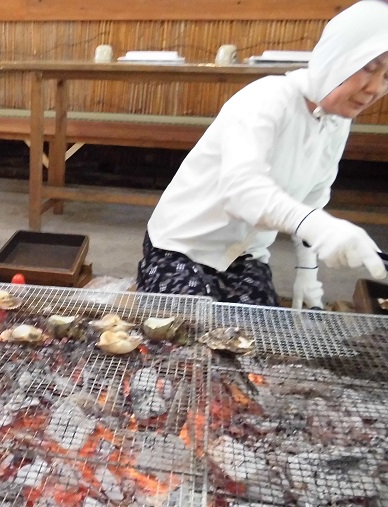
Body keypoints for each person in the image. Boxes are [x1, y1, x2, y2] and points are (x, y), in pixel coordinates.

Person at [136, 0, 388, 308]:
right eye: (369, 68)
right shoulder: (266, 99)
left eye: (387, 77)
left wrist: (308, 272)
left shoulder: (336, 121)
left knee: (257, 343)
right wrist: (318, 227)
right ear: (338, 56)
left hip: (244, 257)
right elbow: (242, 190)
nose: (375, 88)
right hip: (180, 248)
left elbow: (312, 198)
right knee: (187, 340)